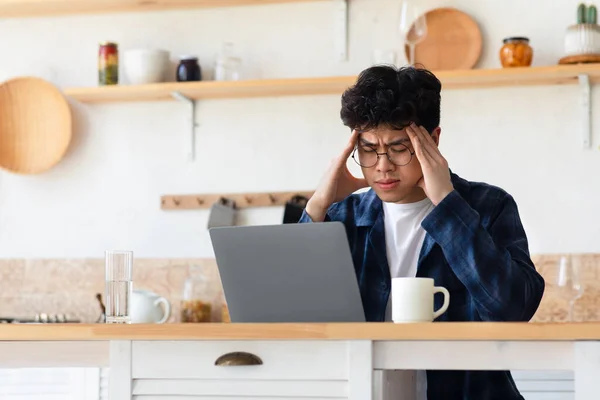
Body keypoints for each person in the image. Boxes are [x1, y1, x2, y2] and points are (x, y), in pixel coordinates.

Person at [298, 65, 545, 400]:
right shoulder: (343, 219)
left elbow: (512, 309)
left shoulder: (488, 206)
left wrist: (446, 204)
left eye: (399, 148)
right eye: (369, 149)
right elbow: (293, 324)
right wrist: (317, 207)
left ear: (434, 140)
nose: (382, 165)